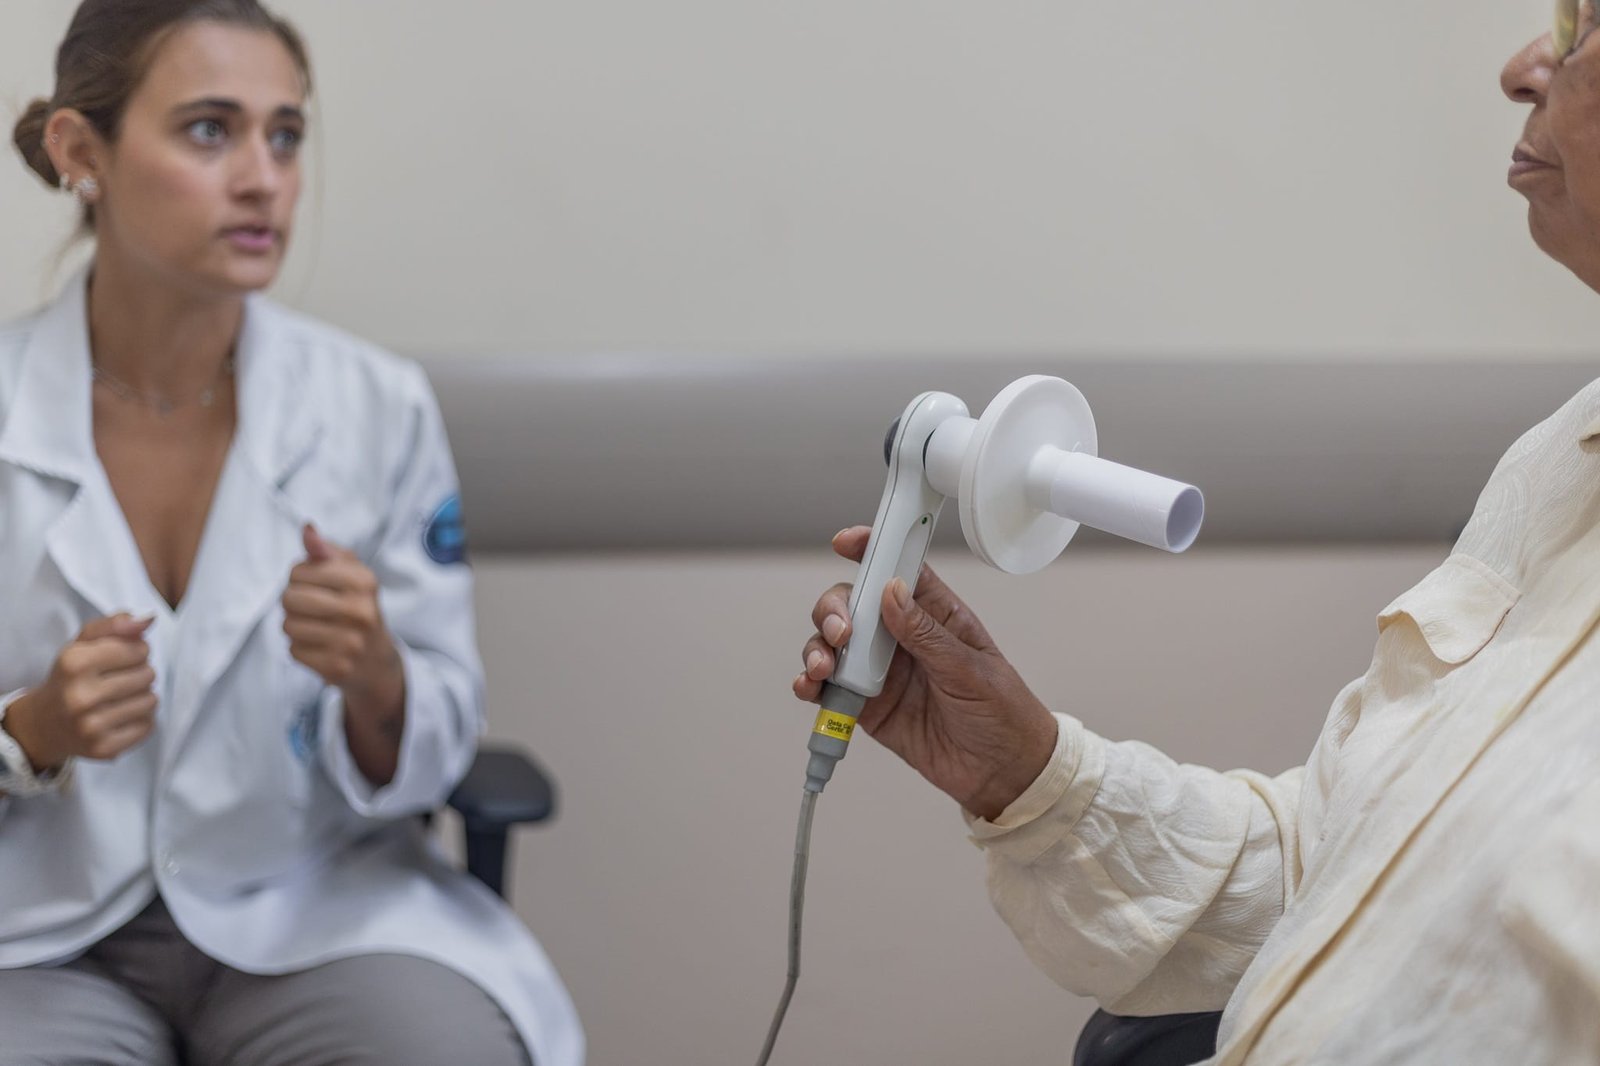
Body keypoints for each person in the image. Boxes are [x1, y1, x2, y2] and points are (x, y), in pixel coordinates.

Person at [797, 5, 1600, 1063]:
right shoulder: (1563, 460)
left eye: (1582, 32)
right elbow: (1330, 867)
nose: (1521, 68)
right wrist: (1027, 771)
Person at [0, 2, 581, 1063]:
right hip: (34, 939)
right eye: (210, 130)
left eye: (286, 134)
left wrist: (376, 677)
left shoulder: (375, 406)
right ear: (82, 151)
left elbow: (441, 725)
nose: (265, 177)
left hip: (312, 914)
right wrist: (27, 732)